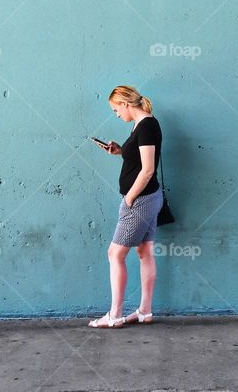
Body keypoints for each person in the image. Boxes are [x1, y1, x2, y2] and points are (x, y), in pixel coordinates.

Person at [88, 85, 163, 328]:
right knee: (144, 252)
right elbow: (140, 160)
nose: (116, 114)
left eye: (115, 109)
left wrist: (129, 198)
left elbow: (148, 169)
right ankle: (144, 311)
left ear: (125, 103)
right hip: (148, 199)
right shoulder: (141, 126)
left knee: (114, 254)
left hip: (140, 201)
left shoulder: (148, 127)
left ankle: (115, 315)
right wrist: (121, 151)